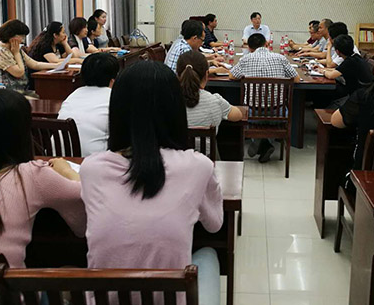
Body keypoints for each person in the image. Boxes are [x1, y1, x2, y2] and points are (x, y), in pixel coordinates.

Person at [80, 61, 223, 305]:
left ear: (117, 110)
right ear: (176, 110)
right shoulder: (198, 166)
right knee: (208, 254)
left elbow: (83, 225)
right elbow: (214, 225)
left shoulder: (91, 169)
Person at [0, 89, 85, 268]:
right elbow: (86, 209)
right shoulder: (31, 175)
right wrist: (66, 171)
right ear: (21, 134)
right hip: (2, 285)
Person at [230, 33, 299, 162]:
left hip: (252, 114)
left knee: (246, 110)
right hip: (278, 114)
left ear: (249, 48)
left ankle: (259, 141)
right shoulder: (281, 58)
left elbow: (232, 76)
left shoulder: (245, 59)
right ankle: (266, 143)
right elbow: (296, 79)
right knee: (275, 114)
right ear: (267, 44)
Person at [58, 53, 120, 157]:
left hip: (57, 158)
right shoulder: (114, 97)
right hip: (93, 161)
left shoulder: (73, 95)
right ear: (113, 80)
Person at [0, 19, 62, 94]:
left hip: (20, 91)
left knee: (50, 94)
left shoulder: (14, 48)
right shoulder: (0, 52)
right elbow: (19, 73)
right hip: (4, 94)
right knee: (47, 96)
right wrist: (16, 53)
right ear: (12, 36)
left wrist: (56, 65)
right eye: (22, 37)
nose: (22, 41)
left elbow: (35, 64)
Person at [177, 51, 242, 132]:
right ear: (207, 75)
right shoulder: (215, 101)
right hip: (207, 141)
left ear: (178, 75)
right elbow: (238, 115)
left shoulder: (167, 101)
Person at [322, 34, 373, 107]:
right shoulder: (355, 57)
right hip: (364, 93)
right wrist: (322, 69)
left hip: (357, 96)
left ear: (337, 51)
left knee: (326, 94)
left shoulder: (349, 61)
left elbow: (331, 75)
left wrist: (323, 71)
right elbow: (338, 70)